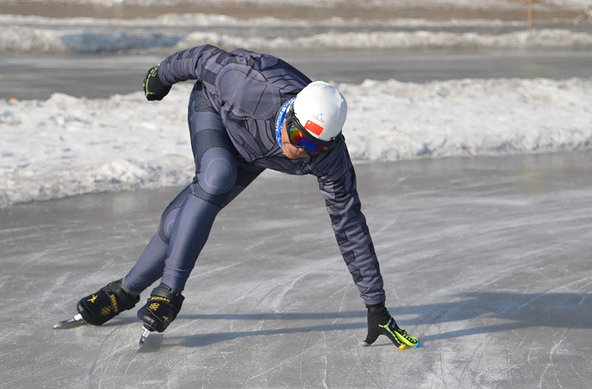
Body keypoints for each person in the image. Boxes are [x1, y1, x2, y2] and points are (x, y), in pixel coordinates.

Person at [70, 45, 419, 349]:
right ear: (292, 113)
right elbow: (202, 57)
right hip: (214, 107)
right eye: (299, 135)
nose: (300, 149)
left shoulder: (328, 158)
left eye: (314, 145)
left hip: (251, 153)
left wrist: (377, 306)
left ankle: (124, 292)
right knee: (216, 176)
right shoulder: (249, 85)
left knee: (184, 218)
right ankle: (168, 293)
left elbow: (349, 226)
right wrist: (161, 75)